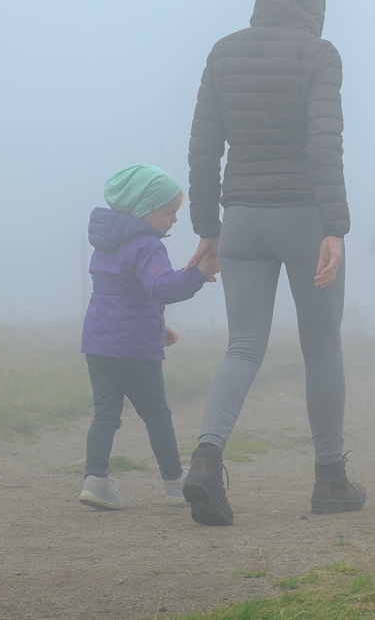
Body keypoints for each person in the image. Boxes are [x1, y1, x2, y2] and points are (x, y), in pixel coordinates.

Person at [182, 0, 365, 526]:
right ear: (315, 0)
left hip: (241, 220)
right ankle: (329, 481)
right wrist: (334, 227)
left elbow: (203, 147)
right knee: (322, 348)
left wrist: (208, 228)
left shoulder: (223, 52)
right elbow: (322, 148)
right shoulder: (319, 54)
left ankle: (206, 463)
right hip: (303, 217)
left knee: (242, 345)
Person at [78, 164, 217, 510]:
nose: (173, 220)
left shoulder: (106, 244)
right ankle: (174, 483)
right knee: (156, 414)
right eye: (169, 212)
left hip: (98, 344)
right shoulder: (146, 245)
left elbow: (122, 294)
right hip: (134, 349)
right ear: (146, 208)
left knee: (104, 415)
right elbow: (160, 288)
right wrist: (199, 273)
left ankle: (94, 481)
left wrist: (157, 325)